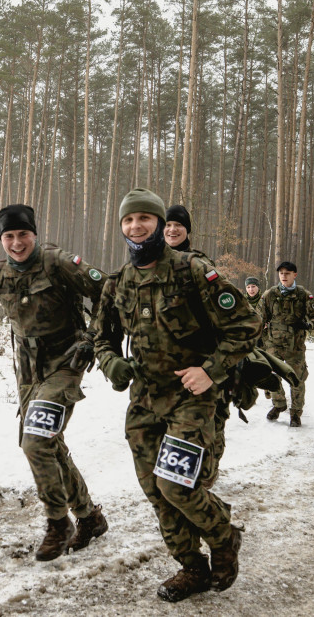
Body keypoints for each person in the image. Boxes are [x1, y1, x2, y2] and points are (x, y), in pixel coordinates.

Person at [92, 188, 262, 603]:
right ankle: (192, 567)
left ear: (157, 222)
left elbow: (245, 324)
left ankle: (224, 538)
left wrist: (211, 371)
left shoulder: (191, 271)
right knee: (155, 489)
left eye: (144, 219)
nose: (136, 227)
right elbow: (102, 338)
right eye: (128, 221)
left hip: (193, 398)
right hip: (145, 400)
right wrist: (111, 361)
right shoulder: (119, 282)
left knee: (177, 484)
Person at [0, 204, 108, 562]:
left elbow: (107, 291)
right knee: (48, 443)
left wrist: (94, 339)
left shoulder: (57, 263)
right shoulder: (0, 274)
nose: (17, 243)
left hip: (65, 361)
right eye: (9, 236)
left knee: (35, 441)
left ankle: (57, 521)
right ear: (1, 239)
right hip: (27, 370)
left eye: (23, 235)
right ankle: (89, 517)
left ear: (35, 234)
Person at [257, 261, 314, 427]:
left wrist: (308, 325)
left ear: (295, 275)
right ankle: (279, 405)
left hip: (296, 345)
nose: (284, 276)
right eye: (281, 273)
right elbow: (259, 318)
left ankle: (296, 413)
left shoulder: (303, 295)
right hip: (273, 344)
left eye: (288, 273)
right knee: (272, 376)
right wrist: (257, 337)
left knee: (297, 379)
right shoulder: (270, 294)